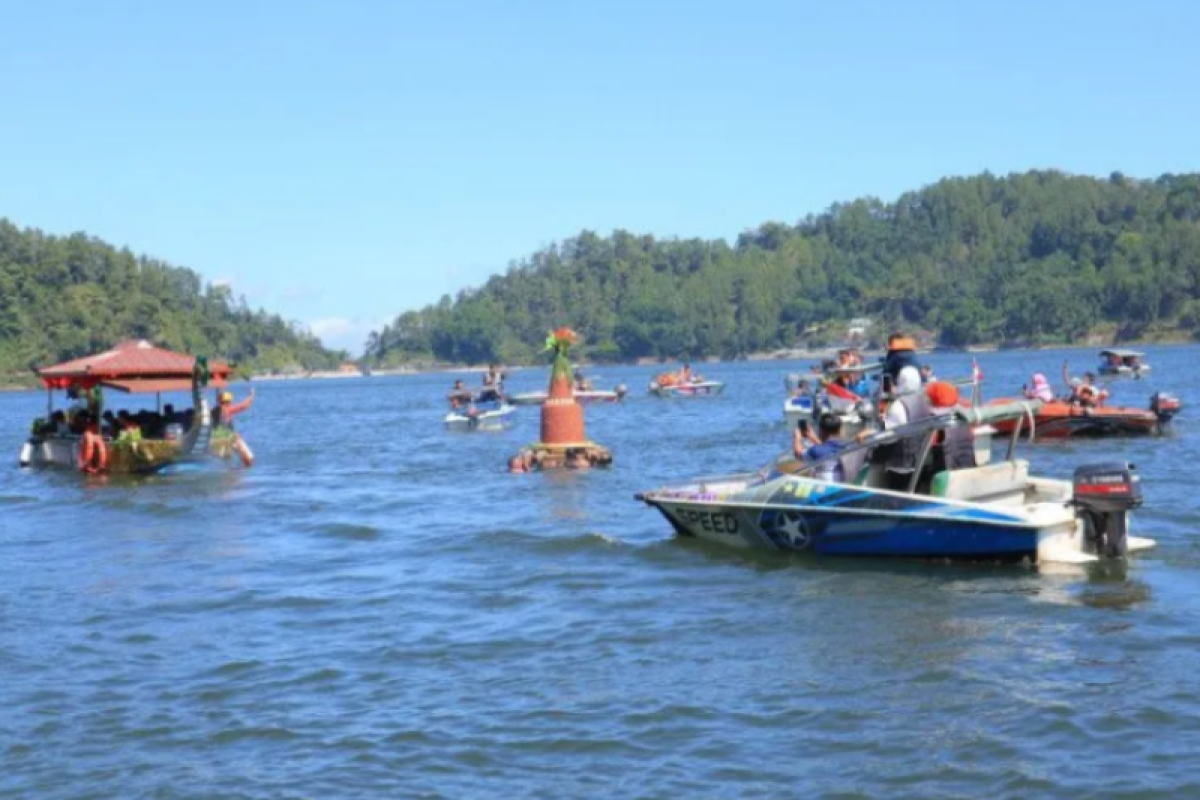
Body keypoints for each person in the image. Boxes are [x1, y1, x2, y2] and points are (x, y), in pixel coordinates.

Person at [859, 365, 929, 492]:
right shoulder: (924, 399)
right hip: (920, 459)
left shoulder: (899, 405)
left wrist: (870, 433)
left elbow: (889, 437)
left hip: (901, 463)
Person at [795, 412, 849, 483]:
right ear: (839, 430)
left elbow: (798, 454)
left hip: (825, 488)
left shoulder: (815, 450)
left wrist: (797, 437)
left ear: (821, 430)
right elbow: (827, 448)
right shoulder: (845, 447)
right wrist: (813, 437)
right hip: (841, 484)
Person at [216, 388, 256, 467]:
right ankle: (240, 473)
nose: (231, 403)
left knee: (234, 458)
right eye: (230, 401)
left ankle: (234, 474)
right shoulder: (228, 409)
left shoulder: (216, 411)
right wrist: (251, 395)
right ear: (227, 402)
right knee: (250, 459)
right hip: (232, 438)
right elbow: (244, 405)